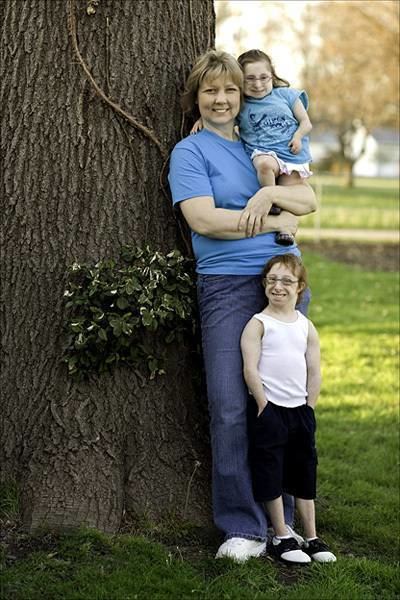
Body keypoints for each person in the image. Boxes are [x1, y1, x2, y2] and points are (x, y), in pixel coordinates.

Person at [168, 49, 317, 562]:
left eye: (230, 89)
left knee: (286, 407)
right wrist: (275, 219)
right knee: (232, 407)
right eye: (211, 90)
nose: (222, 98)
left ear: (243, 93)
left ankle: (289, 525)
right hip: (227, 285)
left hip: (283, 281)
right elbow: (205, 221)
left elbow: (309, 199)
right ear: (197, 99)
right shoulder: (190, 153)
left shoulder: (260, 139)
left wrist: (271, 199)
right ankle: (242, 526)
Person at [241, 254, 336, 564]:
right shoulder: (258, 324)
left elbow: (314, 370)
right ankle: (281, 535)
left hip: (300, 411)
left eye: (286, 281)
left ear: (300, 287)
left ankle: (311, 537)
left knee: (304, 471)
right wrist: (263, 405)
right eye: (272, 280)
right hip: (270, 411)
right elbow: (250, 369)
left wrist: (309, 407)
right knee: (271, 470)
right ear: (264, 284)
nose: (278, 286)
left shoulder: (305, 326)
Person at [192, 49, 313, 247]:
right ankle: (279, 220)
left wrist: (298, 138)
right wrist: (201, 118)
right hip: (266, 157)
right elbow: (205, 223)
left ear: (272, 76)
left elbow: (310, 202)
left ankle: (286, 228)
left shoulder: (286, 96)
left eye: (264, 78)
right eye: (250, 79)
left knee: (289, 195)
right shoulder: (243, 108)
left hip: (291, 154)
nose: (258, 84)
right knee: (265, 167)